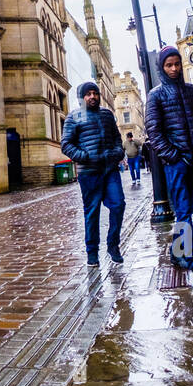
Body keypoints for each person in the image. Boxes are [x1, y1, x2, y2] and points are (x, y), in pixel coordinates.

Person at [145, 46, 193, 280]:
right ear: (162, 68)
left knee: (188, 209)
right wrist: (172, 155)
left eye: (177, 64)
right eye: (168, 65)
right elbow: (154, 131)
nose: (174, 69)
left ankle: (176, 252)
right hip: (176, 163)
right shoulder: (156, 95)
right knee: (183, 209)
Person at [62, 81, 126, 266]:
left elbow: (117, 140)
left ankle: (113, 245)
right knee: (92, 212)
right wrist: (85, 156)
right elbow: (66, 144)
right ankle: (92, 252)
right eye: (88, 94)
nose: (92, 97)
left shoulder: (107, 115)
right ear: (82, 97)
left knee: (118, 205)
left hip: (110, 170)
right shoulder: (73, 117)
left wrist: (116, 153)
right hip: (89, 173)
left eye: (94, 93)